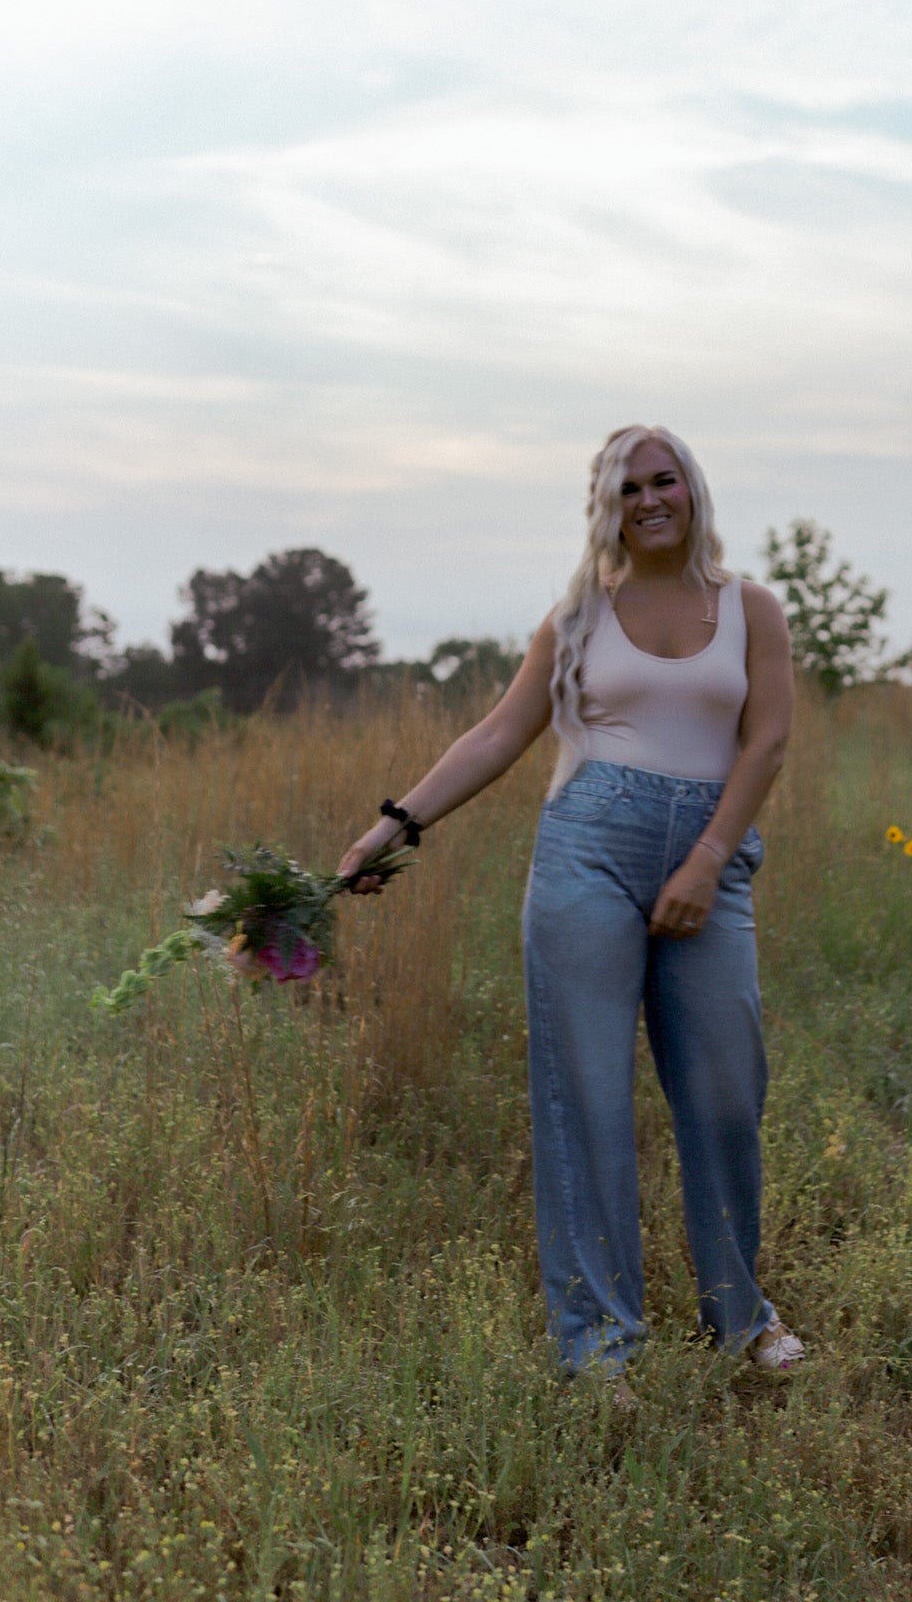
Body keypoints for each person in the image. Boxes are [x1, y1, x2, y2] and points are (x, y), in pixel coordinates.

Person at [338, 424, 804, 1392]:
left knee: (725, 1091)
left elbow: (764, 744)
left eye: (662, 480)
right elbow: (497, 735)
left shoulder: (750, 607)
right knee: (584, 1094)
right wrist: (395, 824)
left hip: (708, 858)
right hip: (588, 849)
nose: (648, 499)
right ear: (606, 506)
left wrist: (705, 860)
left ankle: (740, 1314)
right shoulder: (579, 616)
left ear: (691, 488)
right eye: (627, 487)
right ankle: (598, 1344)